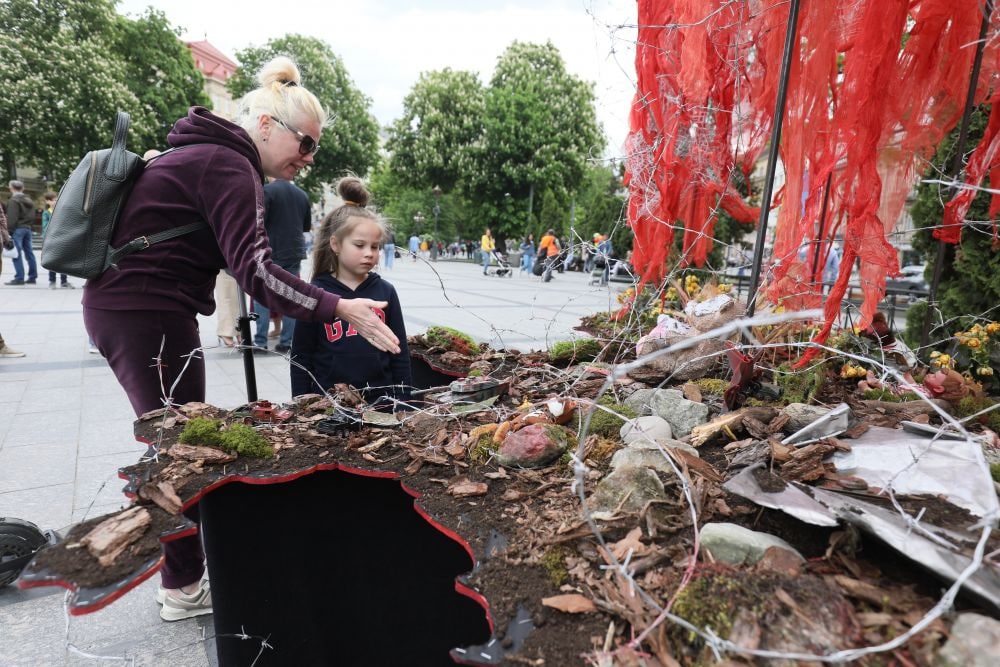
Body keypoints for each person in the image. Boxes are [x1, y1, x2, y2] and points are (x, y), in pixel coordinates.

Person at [82, 56, 400, 622]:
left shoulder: (208, 153)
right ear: (267, 126)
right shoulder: (229, 164)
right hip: (145, 312)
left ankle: (184, 573)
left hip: (142, 309)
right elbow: (256, 272)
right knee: (179, 450)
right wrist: (339, 307)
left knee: (178, 443)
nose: (309, 157)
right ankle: (182, 586)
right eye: (306, 143)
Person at [290, 178, 411, 409]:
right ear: (335, 244)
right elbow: (301, 357)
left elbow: (400, 352)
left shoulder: (386, 292)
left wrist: (404, 401)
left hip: (382, 403)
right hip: (330, 405)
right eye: (359, 245)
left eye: (374, 246)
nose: (369, 253)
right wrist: (302, 404)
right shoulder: (317, 294)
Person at [252, 178, 311, 354]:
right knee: (290, 295)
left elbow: (258, 223)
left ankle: (260, 342)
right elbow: (306, 226)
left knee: (262, 294)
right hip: (294, 251)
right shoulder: (302, 194)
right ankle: (287, 342)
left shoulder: (266, 191)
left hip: (270, 250)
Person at [4, 180, 38, 286]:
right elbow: (33, 216)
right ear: (22, 188)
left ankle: (19, 278)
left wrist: (9, 231)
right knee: (29, 253)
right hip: (28, 228)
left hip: (18, 229)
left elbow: (12, 218)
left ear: (11, 188)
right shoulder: (29, 200)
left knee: (16, 253)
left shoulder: (13, 200)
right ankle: (32, 277)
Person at [41, 192, 73, 289]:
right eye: (53, 200)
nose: (55, 201)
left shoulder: (62, 211)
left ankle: (64, 281)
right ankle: (52, 281)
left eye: (56, 199)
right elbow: (45, 226)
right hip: (51, 239)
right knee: (51, 261)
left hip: (62, 238)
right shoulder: (46, 213)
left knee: (63, 261)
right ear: (47, 201)